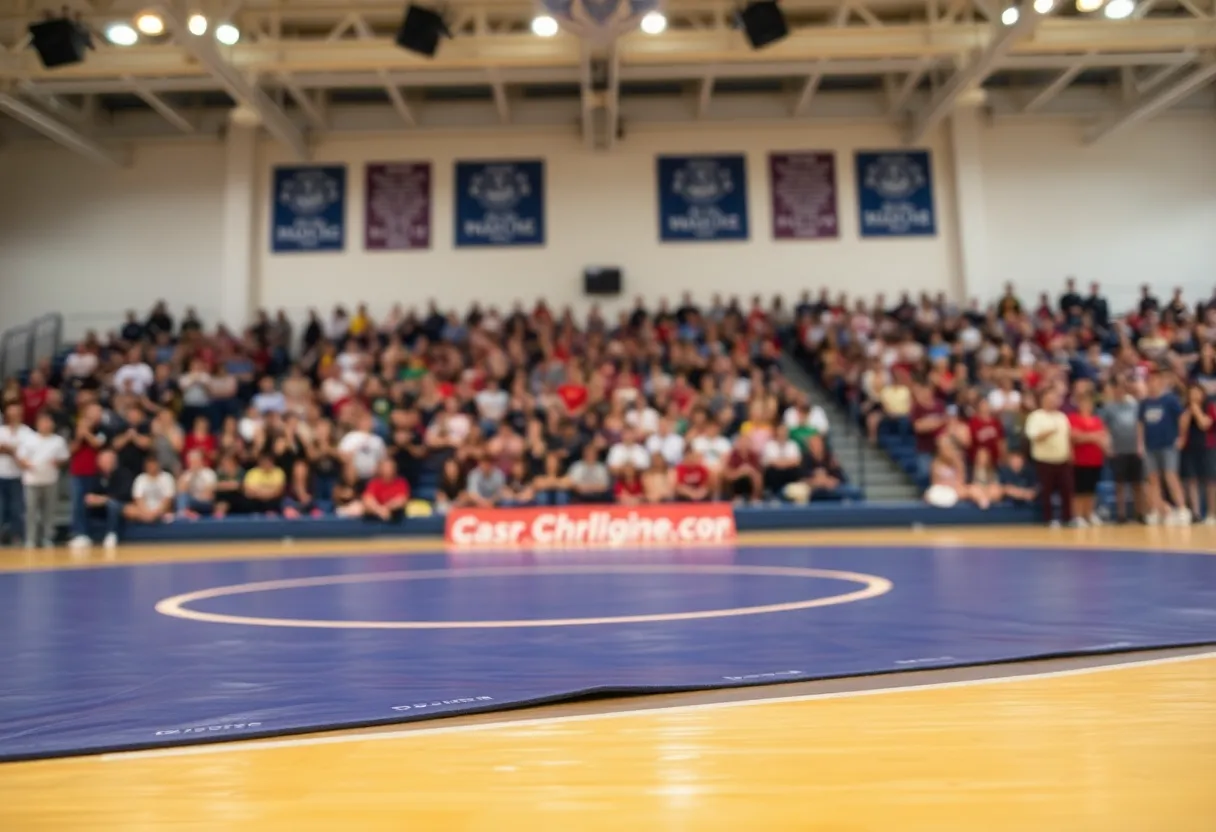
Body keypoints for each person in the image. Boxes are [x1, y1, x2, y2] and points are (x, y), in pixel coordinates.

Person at [1138, 369, 1188, 525]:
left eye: (1155, 380)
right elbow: (1140, 424)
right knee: (1153, 479)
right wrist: (1140, 444)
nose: (1152, 383)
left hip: (1168, 444)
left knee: (1171, 475)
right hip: (1150, 445)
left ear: (1160, 381)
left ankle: (1182, 508)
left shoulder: (1170, 400)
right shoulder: (1145, 402)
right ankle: (1156, 510)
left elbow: (1183, 417)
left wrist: (1181, 437)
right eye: (1149, 380)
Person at [16, 412, 70, 548]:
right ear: (37, 424)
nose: (45, 425)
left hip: (50, 479)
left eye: (48, 422)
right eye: (43, 421)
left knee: (50, 511)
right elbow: (20, 458)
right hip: (31, 480)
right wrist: (26, 464)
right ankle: (31, 539)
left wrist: (57, 462)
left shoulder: (58, 441)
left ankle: (48, 538)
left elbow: (64, 459)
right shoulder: (29, 439)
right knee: (31, 511)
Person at [1024, 390, 1074, 527]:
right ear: (1043, 401)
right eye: (1049, 399)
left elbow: (1067, 436)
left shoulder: (1062, 417)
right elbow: (1033, 436)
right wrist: (1048, 432)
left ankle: (1067, 518)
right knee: (1046, 491)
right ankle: (1049, 519)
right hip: (1044, 460)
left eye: (1054, 399)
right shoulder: (1036, 416)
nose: (1053, 402)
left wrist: (1070, 453)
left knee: (1067, 490)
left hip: (1062, 459)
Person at [1100, 377, 1144, 524]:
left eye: (1122, 388)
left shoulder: (1134, 405)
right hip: (1118, 449)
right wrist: (1108, 446)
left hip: (1134, 448)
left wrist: (1140, 444)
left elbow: (1140, 425)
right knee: (1120, 484)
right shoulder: (1109, 407)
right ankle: (1121, 514)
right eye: (1117, 388)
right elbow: (1104, 428)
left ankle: (1140, 513)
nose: (1120, 391)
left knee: (1137, 483)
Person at [1068, 394, 1109, 527]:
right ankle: (1078, 515)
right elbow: (1074, 436)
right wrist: (1093, 436)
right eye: (1084, 403)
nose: (1087, 406)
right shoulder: (1074, 418)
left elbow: (1103, 437)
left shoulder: (1097, 420)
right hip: (1080, 459)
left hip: (1095, 459)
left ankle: (1089, 513)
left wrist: (1088, 437)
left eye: (1089, 403)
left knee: (1091, 489)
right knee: (1079, 489)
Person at [1179, 383, 1216, 524]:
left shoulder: (1210, 407)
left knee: (1210, 480)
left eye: (1197, 392)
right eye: (1191, 393)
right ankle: (1196, 513)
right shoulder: (1185, 409)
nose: (1194, 396)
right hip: (1190, 448)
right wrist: (1190, 411)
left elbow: (1204, 424)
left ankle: (1212, 513)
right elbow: (1182, 427)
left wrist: (1196, 409)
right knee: (1191, 480)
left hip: (1208, 447)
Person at [0, 403, 33, 546]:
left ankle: (16, 537)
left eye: (16, 412)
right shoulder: (1, 430)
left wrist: (11, 451)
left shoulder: (27, 433)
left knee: (17, 509)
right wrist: (12, 450)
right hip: (1, 474)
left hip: (18, 476)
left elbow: (28, 453)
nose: (14, 416)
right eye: (11, 413)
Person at [126, 455, 177, 527]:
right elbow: (138, 499)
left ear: (158, 465)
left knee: (169, 510)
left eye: (154, 464)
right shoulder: (140, 478)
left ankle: (150, 519)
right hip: (143, 511)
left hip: (162, 511)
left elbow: (168, 499)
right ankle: (147, 518)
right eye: (149, 465)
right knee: (128, 509)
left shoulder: (167, 477)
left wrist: (155, 513)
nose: (152, 467)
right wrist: (146, 512)